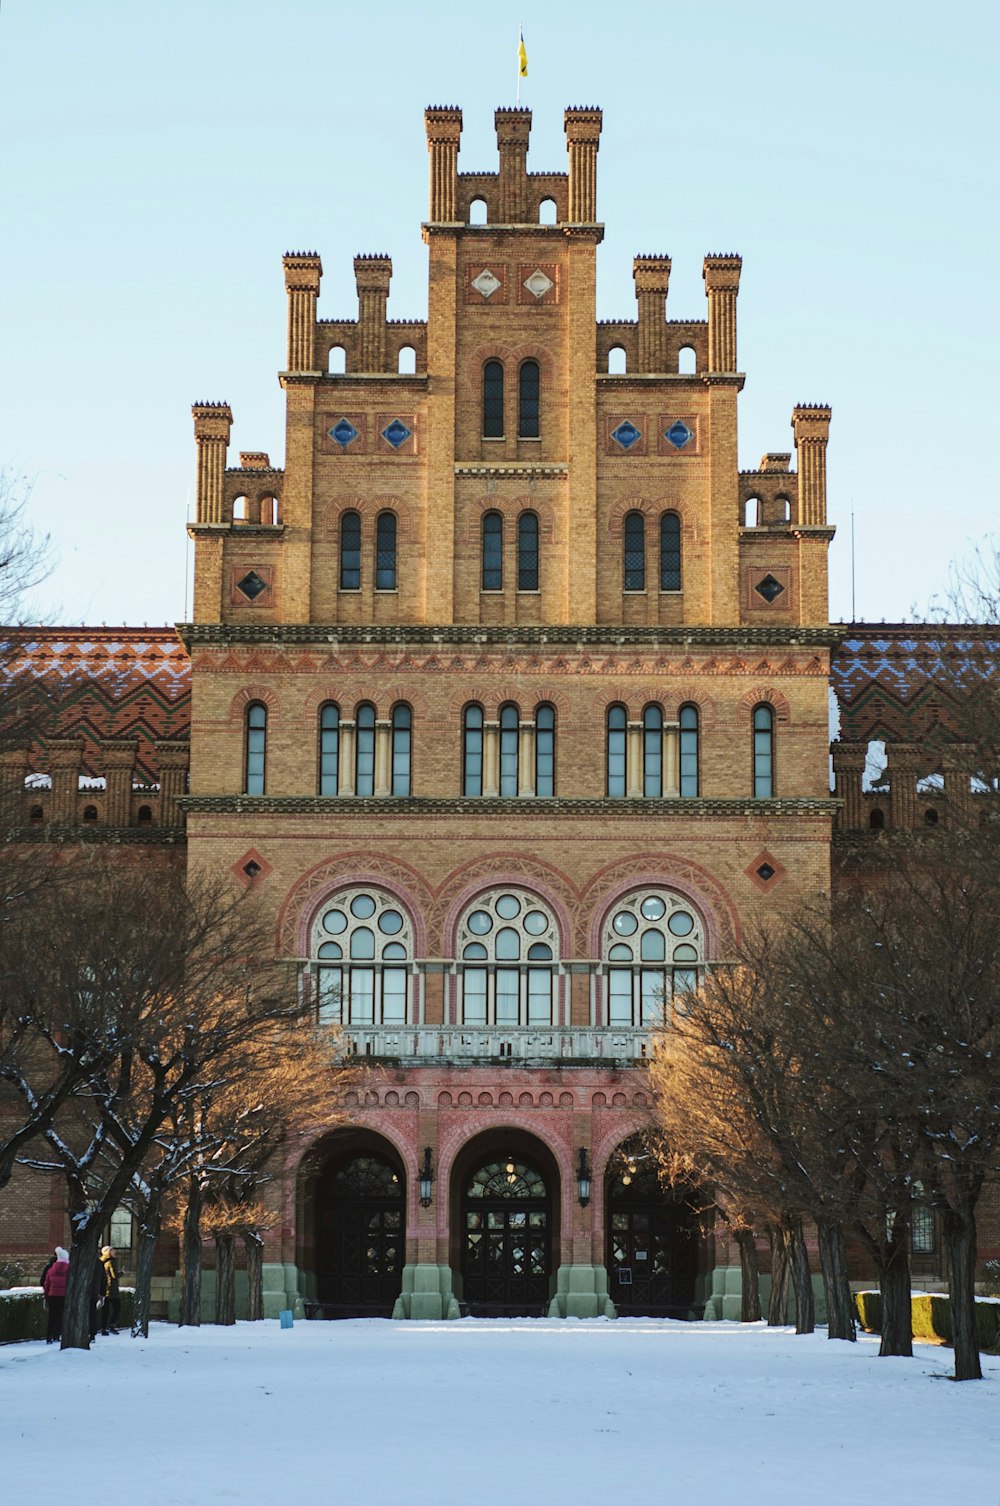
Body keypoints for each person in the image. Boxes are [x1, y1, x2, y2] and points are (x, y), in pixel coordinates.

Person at [43, 1247, 70, 1344]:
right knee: (61, 1316)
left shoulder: (51, 1270)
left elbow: (46, 1284)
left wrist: (46, 1295)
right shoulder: (69, 1270)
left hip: (52, 1295)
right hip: (63, 1296)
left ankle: (49, 1336)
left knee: (52, 1316)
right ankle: (57, 1335)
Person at [100, 1246, 121, 1334]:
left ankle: (103, 1328)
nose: (114, 1252)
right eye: (112, 1251)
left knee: (106, 1310)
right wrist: (121, 1273)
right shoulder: (111, 1262)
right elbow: (114, 1275)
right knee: (117, 1307)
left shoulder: (102, 1262)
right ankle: (111, 1325)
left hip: (105, 1287)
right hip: (112, 1289)